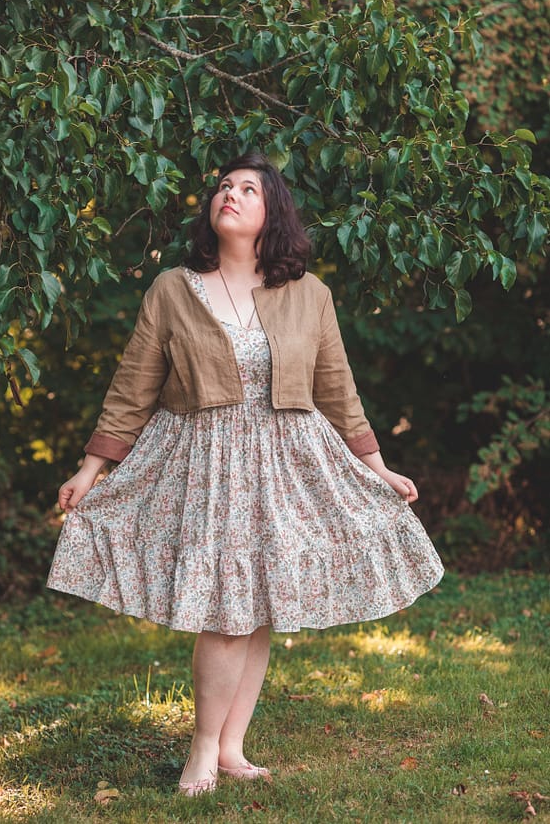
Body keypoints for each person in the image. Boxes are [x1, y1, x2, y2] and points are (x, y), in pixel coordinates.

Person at [47, 151, 444, 797]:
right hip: (205, 465)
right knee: (227, 610)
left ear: (273, 212)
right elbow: (134, 384)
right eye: (224, 186)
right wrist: (92, 467)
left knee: (256, 608)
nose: (229, 194)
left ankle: (231, 747)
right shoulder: (173, 289)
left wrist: (376, 468)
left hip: (288, 465)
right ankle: (201, 751)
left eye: (248, 189)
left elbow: (337, 389)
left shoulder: (310, 294)